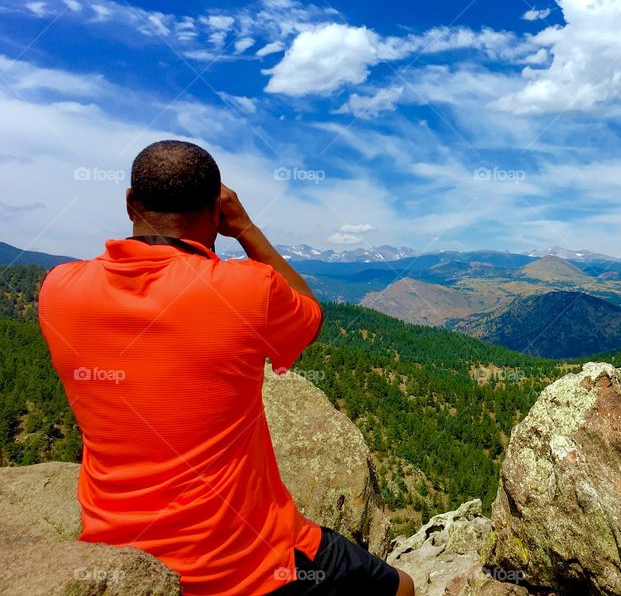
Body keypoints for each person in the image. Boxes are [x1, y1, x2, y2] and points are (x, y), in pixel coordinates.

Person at [38, 140, 415, 596]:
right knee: (403, 587)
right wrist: (247, 229)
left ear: (129, 202)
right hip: (247, 562)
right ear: (217, 211)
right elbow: (310, 317)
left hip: (118, 552)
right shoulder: (245, 290)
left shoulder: (59, 290)